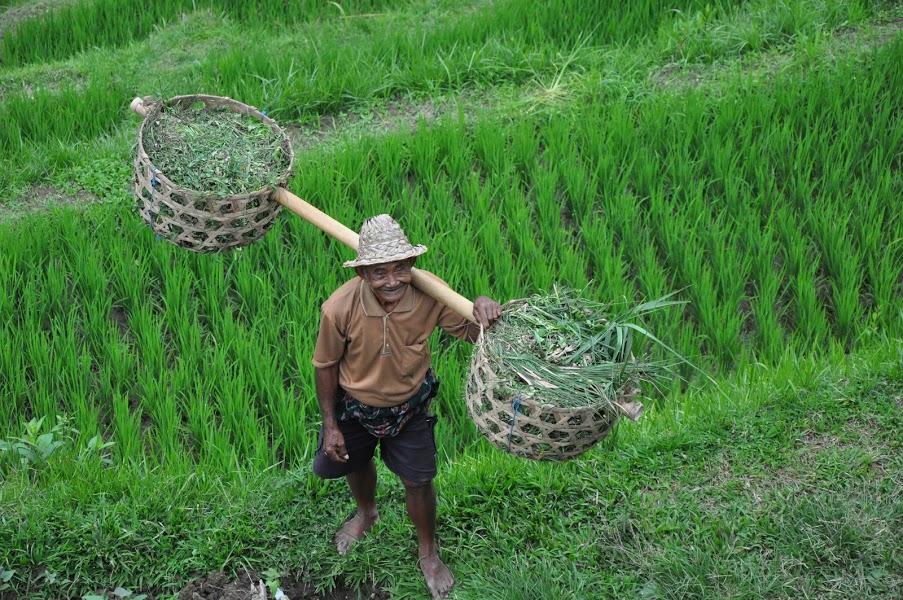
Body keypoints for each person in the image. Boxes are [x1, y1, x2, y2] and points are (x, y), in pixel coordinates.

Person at [311, 214, 501, 599]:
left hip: (409, 407)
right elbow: (325, 365)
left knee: (418, 480)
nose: (392, 280)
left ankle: (428, 551)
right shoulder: (339, 308)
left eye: (400, 268)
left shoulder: (432, 294)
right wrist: (331, 424)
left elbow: (472, 332)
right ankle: (367, 513)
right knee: (355, 461)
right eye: (380, 272)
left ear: (412, 264)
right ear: (363, 272)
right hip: (356, 407)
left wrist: (482, 308)